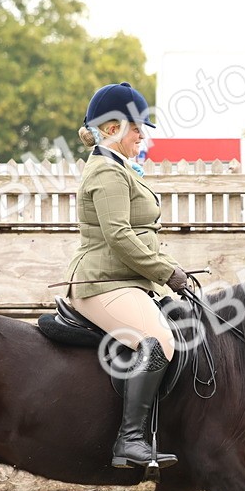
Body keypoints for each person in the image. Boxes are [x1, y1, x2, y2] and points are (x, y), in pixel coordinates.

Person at [66, 82, 191, 470]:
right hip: (102, 284)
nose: (142, 135)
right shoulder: (106, 172)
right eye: (136, 128)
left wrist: (165, 268)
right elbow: (119, 237)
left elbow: (142, 236)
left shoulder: (122, 169)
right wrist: (166, 271)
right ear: (110, 129)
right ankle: (130, 440)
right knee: (157, 340)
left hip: (128, 282)